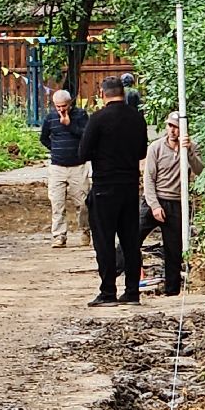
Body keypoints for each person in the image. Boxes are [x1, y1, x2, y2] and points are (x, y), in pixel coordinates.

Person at [80, 75, 148, 307]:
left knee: (104, 240)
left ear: (102, 94)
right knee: (130, 241)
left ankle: (108, 291)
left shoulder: (98, 119)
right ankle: (132, 291)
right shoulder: (137, 119)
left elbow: (83, 152)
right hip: (129, 186)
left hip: (105, 187)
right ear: (124, 92)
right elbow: (141, 152)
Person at [139, 112, 203, 296]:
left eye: (176, 127)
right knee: (132, 237)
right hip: (155, 200)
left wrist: (189, 150)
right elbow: (149, 180)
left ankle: (172, 291)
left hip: (177, 203)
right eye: (170, 126)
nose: (172, 130)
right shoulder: (156, 148)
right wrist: (154, 206)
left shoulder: (191, 148)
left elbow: (199, 169)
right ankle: (116, 273)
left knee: (173, 249)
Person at [40, 89, 90, 248]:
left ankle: (85, 230)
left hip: (78, 166)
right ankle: (59, 235)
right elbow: (44, 138)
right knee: (57, 203)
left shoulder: (81, 116)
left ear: (70, 103)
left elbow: (87, 135)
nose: (61, 109)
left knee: (83, 203)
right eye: (57, 106)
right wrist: (55, 149)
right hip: (57, 167)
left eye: (64, 106)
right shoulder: (50, 118)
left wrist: (70, 125)